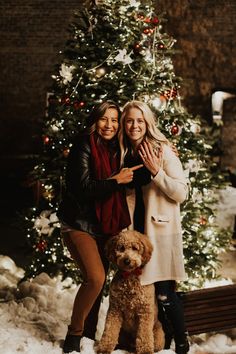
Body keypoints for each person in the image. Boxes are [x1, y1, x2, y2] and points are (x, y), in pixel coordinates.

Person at [57, 100, 142, 353]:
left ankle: (88, 335)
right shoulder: (83, 145)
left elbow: (143, 166)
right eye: (104, 119)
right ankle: (74, 335)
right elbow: (81, 189)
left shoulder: (118, 148)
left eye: (115, 120)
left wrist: (165, 151)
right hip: (79, 223)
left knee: (98, 283)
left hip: (105, 225)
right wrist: (115, 181)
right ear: (95, 120)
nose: (110, 125)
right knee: (95, 278)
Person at [118, 100, 190, 354]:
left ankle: (181, 340)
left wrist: (157, 172)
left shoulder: (162, 151)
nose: (134, 125)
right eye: (129, 120)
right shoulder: (124, 153)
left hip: (160, 234)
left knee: (164, 294)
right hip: (135, 235)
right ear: (123, 124)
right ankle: (159, 338)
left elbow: (181, 193)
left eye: (140, 120)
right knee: (143, 295)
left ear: (147, 123)